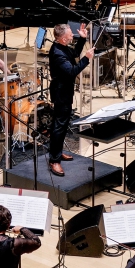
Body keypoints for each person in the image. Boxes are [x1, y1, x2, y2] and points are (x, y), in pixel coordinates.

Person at [46, 22, 92, 176]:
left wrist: (82, 39)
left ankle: (57, 153)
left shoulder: (61, 47)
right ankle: (54, 160)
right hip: (61, 93)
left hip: (65, 91)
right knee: (59, 125)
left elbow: (73, 55)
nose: (73, 34)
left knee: (62, 124)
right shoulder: (58, 54)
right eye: (70, 34)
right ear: (63, 40)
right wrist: (87, 59)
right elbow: (72, 71)